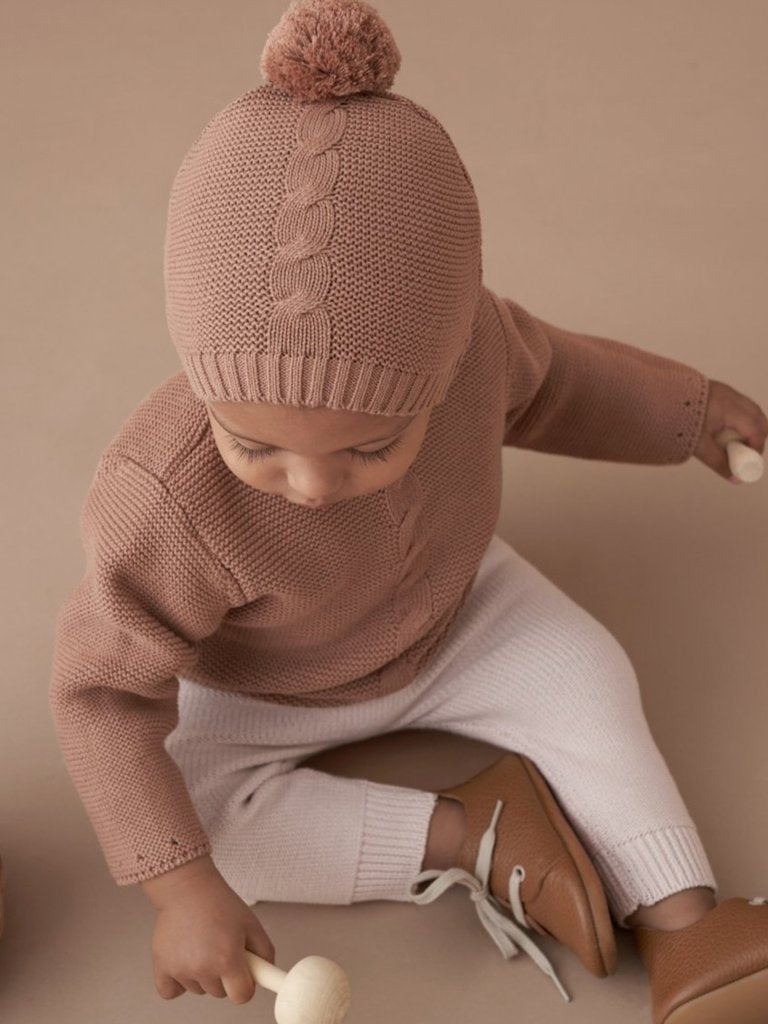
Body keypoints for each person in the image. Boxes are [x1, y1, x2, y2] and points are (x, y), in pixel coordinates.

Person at [49, 0, 768, 1019]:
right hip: (261, 689)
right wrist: (181, 884)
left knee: (585, 673)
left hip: (459, 613)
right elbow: (103, 700)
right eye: (255, 443)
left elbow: (563, 380)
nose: (308, 483)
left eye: (369, 447)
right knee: (202, 824)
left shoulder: (473, 349)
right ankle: (469, 831)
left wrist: (686, 411)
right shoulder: (162, 497)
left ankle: (690, 921)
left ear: (445, 363)